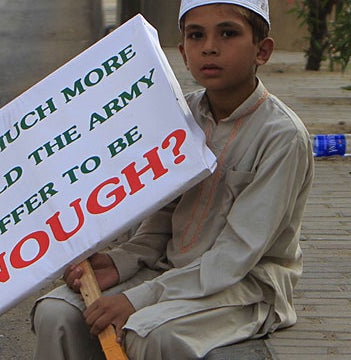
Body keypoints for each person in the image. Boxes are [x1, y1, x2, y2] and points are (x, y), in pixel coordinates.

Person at [31, 0, 314, 359]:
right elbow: (162, 217)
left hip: (245, 287)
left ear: (263, 50)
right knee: (57, 312)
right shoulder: (179, 113)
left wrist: (134, 299)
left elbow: (235, 257)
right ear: (183, 51)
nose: (209, 47)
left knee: (149, 335)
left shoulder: (281, 137)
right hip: (168, 270)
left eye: (228, 33)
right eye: (196, 36)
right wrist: (120, 262)